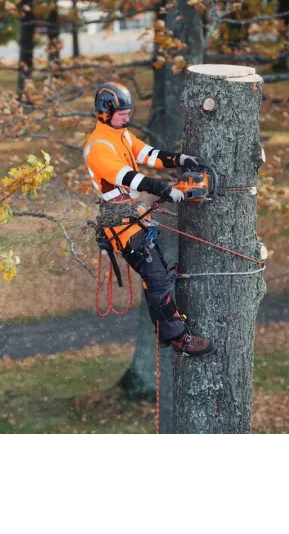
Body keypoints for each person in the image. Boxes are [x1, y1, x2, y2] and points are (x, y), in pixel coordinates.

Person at [84, 82, 215, 357]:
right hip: (121, 226)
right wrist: (166, 190)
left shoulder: (121, 135)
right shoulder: (98, 147)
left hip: (134, 219)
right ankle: (179, 339)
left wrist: (179, 159)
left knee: (157, 277)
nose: (127, 118)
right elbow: (130, 178)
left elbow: (147, 154)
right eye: (121, 114)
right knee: (157, 280)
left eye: (128, 112)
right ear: (105, 112)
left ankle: (165, 332)